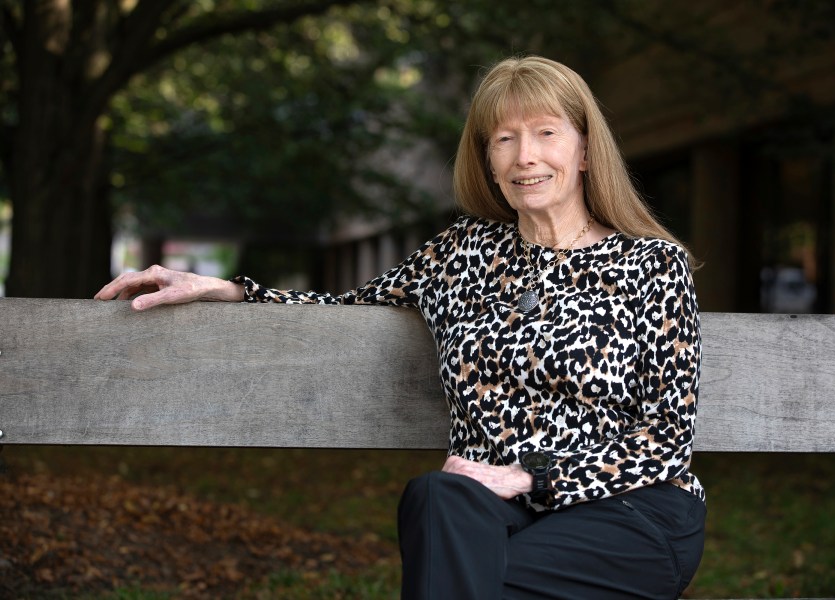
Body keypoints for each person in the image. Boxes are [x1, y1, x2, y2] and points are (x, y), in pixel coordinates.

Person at [96, 55, 705, 599]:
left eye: (547, 133)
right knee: (435, 499)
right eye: (504, 138)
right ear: (486, 159)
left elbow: (669, 437)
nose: (526, 155)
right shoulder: (460, 255)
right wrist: (227, 289)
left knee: (454, 565)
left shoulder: (651, 265)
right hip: (491, 510)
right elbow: (344, 308)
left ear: (585, 151)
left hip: (629, 510)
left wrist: (528, 475)